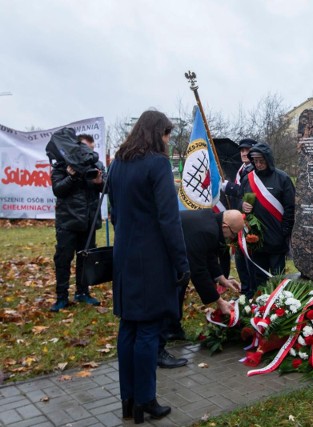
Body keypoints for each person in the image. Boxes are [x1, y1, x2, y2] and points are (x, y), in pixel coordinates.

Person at [108, 110, 190, 423]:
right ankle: (145, 400)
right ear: (158, 134)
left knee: (128, 326)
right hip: (152, 260)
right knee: (148, 329)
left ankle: (128, 401)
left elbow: (114, 214)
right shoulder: (157, 164)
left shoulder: (118, 164)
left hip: (124, 255)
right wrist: (181, 263)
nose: (169, 141)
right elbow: (170, 220)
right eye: (168, 135)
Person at [158, 209, 243, 368]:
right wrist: (219, 301)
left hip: (175, 253)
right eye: (233, 233)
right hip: (161, 252)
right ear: (225, 226)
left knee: (180, 284)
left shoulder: (211, 222)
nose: (232, 238)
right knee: (170, 293)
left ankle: (173, 328)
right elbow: (198, 270)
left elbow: (209, 254)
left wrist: (222, 278)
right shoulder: (207, 230)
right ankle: (159, 347)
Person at [50, 133, 105, 312]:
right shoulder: (61, 165)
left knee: (85, 259)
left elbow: (107, 189)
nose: (87, 154)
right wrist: (71, 176)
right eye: (84, 149)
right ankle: (61, 297)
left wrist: (99, 182)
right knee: (63, 259)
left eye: (91, 149)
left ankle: (83, 292)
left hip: (88, 222)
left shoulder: (97, 165)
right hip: (67, 221)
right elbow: (58, 190)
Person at [239, 142, 295, 296]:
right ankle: (259, 306)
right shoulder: (248, 179)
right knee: (259, 278)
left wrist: (285, 231)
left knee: (278, 279)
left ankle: (278, 307)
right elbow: (239, 200)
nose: (258, 164)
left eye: (261, 160)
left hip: (277, 238)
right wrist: (242, 205)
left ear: (268, 159)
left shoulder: (283, 178)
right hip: (255, 238)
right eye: (255, 161)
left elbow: (291, 207)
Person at [221, 138, 258, 295]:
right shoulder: (242, 169)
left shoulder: (254, 169)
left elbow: (249, 193)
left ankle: (252, 293)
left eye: (247, 150)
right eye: (242, 150)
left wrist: (229, 187)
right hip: (237, 220)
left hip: (248, 220)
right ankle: (245, 292)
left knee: (249, 259)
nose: (244, 153)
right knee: (239, 260)